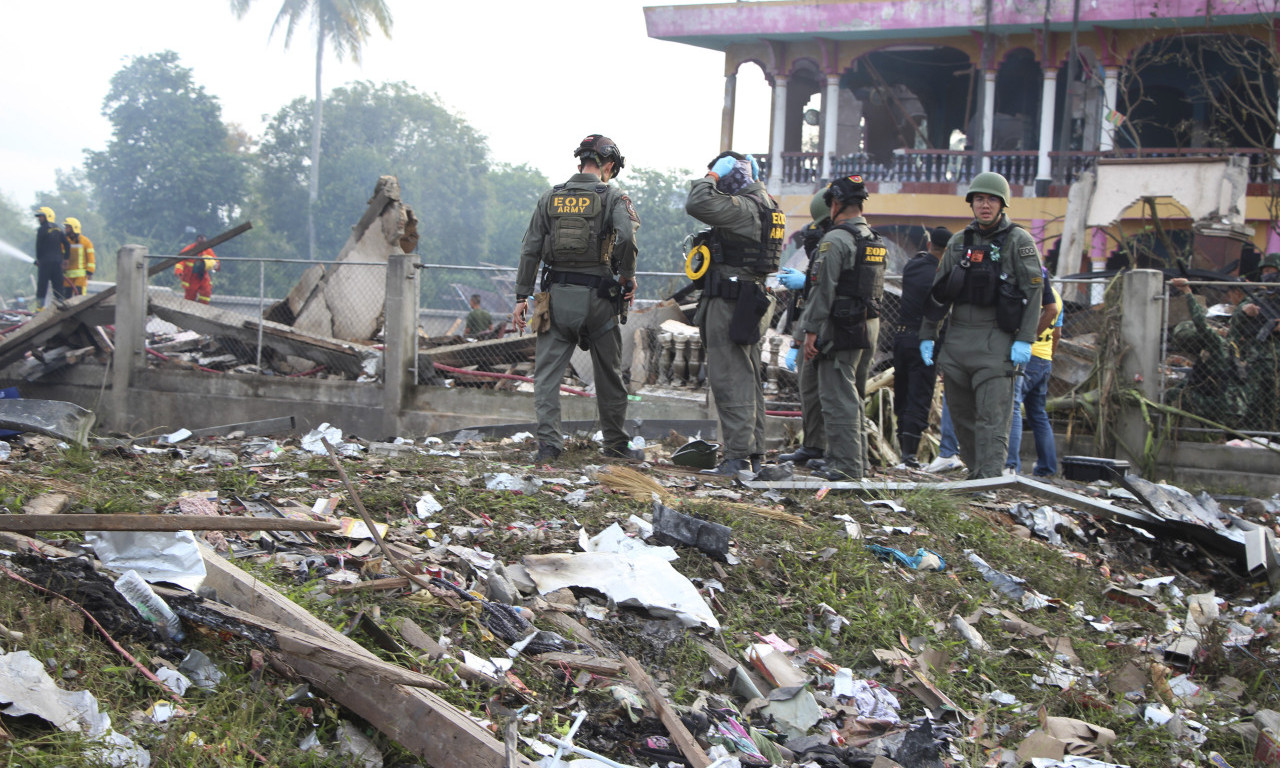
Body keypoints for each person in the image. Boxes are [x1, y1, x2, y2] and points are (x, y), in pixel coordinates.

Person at [511, 134, 639, 464]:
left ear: (581, 161)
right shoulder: (613, 196)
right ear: (608, 165)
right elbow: (626, 238)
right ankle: (615, 446)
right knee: (610, 376)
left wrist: (520, 297)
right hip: (600, 300)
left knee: (547, 376)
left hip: (553, 299)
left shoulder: (550, 197)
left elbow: (530, 250)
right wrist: (627, 277)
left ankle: (549, 447)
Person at [919, 172, 1044, 479]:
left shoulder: (1019, 240)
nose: (984, 205)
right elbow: (939, 291)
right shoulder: (960, 242)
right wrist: (927, 335)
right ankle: (976, 473)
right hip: (959, 341)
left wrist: (1025, 338)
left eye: (991, 199)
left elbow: (1035, 290)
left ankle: (989, 480)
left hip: (997, 342)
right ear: (971, 203)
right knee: (961, 417)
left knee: (993, 417)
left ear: (1002, 204)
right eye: (978, 199)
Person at [685, 150, 784, 475]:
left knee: (730, 379)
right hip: (750, 299)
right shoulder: (769, 205)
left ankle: (737, 457)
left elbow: (697, 203)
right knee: (748, 378)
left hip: (732, 301)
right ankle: (752, 454)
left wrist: (712, 176)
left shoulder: (744, 207)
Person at [797, 175, 887, 481]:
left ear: (834, 204)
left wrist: (810, 331)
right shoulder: (872, 239)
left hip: (842, 326)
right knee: (853, 395)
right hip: (868, 323)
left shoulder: (835, 240)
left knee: (838, 397)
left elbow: (823, 290)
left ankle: (847, 467)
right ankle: (849, 458)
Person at [777, 191, 831, 468]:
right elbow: (807, 303)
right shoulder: (822, 248)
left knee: (830, 396)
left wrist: (807, 283)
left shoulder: (841, 243)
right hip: (811, 328)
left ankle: (832, 452)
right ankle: (813, 446)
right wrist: (797, 341)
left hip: (833, 329)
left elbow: (828, 291)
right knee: (809, 391)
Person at [893, 226, 950, 468]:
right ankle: (909, 455)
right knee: (920, 395)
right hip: (925, 341)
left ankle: (901, 452)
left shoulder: (912, 267)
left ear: (929, 245)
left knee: (903, 393)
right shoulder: (942, 276)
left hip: (901, 338)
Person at [1168, 276, 1245, 428]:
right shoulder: (1230, 346)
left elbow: (1199, 321)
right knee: (1180, 390)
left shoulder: (1217, 344)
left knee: (1177, 396)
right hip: (1236, 408)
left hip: (1223, 408)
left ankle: (1176, 432)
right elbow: (1193, 379)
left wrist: (1187, 292)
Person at [1005, 270, 1061, 476]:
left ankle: (1010, 464)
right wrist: (1049, 359)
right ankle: (1047, 467)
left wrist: (1028, 340)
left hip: (1028, 356)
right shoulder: (1057, 297)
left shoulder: (1032, 296)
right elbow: (1058, 333)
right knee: (1038, 414)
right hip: (1045, 359)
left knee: (1013, 406)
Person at [1229, 253, 1280, 432]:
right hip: (1255, 360)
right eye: (1264, 271)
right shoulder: (1258, 298)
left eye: (1271, 270)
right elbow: (1234, 323)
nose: (1267, 274)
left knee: (1275, 403)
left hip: (1276, 362)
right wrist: (1244, 312)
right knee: (1252, 401)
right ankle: (1250, 435)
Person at [33, 206, 69, 309]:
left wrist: (38, 260)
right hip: (57, 263)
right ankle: (61, 307)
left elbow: (38, 246)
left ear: (48, 216)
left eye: (41, 217)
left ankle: (39, 309)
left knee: (42, 286)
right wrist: (66, 258)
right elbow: (67, 244)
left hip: (45, 263)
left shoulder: (42, 229)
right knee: (58, 286)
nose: (39, 219)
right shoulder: (58, 229)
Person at [175, 234, 220, 304]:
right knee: (190, 295)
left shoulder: (207, 250)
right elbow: (180, 260)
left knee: (206, 291)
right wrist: (179, 271)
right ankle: (187, 310)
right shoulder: (189, 249)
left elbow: (215, 260)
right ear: (197, 241)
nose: (202, 245)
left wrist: (216, 265)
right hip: (191, 277)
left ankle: (203, 308)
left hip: (203, 276)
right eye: (201, 243)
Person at [62, 218, 95, 297]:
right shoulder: (65, 242)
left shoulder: (85, 241)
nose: (66, 229)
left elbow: (90, 258)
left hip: (80, 276)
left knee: (79, 297)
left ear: (74, 228)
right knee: (66, 298)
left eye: (68, 227)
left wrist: (90, 271)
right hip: (67, 275)